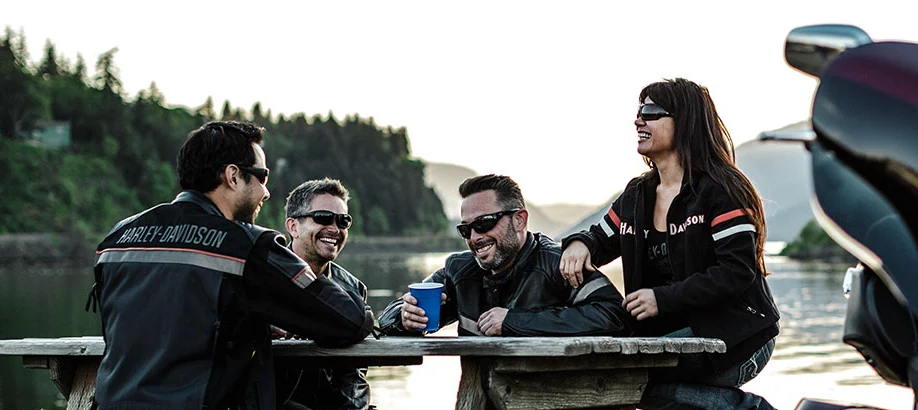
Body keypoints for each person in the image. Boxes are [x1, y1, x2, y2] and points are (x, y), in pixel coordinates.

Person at [87, 121, 372, 410]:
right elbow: (349, 320)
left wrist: (250, 318)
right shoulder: (246, 246)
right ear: (233, 176)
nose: (266, 192)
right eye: (262, 177)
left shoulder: (118, 236)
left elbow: (172, 324)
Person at [559, 78, 781, 410]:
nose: (638, 120)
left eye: (650, 112)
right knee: (625, 376)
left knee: (640, 382)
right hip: (673, 337)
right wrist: (580, 244)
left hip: (740, 336)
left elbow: (736, 272)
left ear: (685, 121)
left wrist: (661, 299)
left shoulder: (721, 189)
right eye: (638, 111)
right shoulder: (637, 195)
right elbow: (600, 238)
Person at [377, 174, 629, 337]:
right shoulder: (459, 271)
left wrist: (514, 322)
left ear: (519, 220)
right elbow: (386, 318)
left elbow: (614, 315)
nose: (474, 237)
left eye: (484, 223)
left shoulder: (558, 263)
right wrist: (404, 317)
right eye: (465, 229)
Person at [274, 178, 374, 410]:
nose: (335, 229)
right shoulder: (265, 276)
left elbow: (354, 374)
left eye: (343, 221)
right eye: (323, 218)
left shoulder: (353, 288)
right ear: (293, 227)